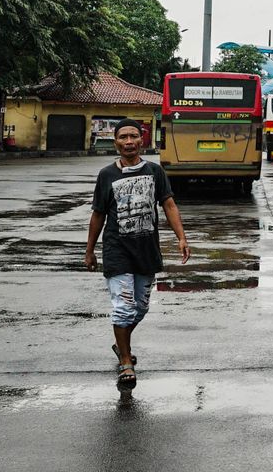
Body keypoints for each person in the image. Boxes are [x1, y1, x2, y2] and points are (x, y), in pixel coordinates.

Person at [84, 118, 190, 388]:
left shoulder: (155, 171)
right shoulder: (107, 175)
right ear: (116, 141)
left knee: (140, 308)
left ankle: (121, 343)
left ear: (142, 140)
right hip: (117, 249)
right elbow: (97, 215)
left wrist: (181, 237)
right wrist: (90, 250)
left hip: (146, 249)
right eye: (123, 137)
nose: (128, 142)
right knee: (123, 308)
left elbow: (168, 204)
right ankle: (126, 362)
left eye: (133, 136)